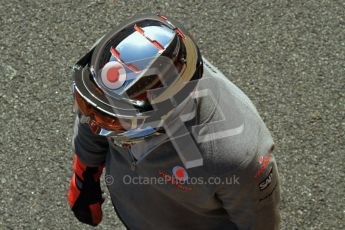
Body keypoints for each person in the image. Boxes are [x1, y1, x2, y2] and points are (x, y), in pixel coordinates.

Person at [67, 14, 281, 229]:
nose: (93, 123)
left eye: (110, 120)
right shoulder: (108, 66)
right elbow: (92, 114)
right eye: (88, 106)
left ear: (157, 116)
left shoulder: (237, 159)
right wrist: (85, 174)